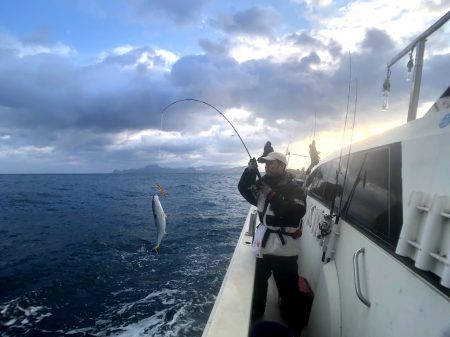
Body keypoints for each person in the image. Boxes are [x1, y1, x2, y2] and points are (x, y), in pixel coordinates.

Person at [238, 151, 306, 335]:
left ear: (282, 166)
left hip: (285, 249)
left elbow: (295, 212)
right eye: (264, 164)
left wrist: (273, 196)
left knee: (289, 291)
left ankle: (294, 327)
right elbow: (244, 190)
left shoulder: (295, 189)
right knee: (259, 283)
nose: (266, 166)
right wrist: (249, 172)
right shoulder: (262, 185)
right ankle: (257, 313)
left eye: (271, 163)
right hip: (263, 244)